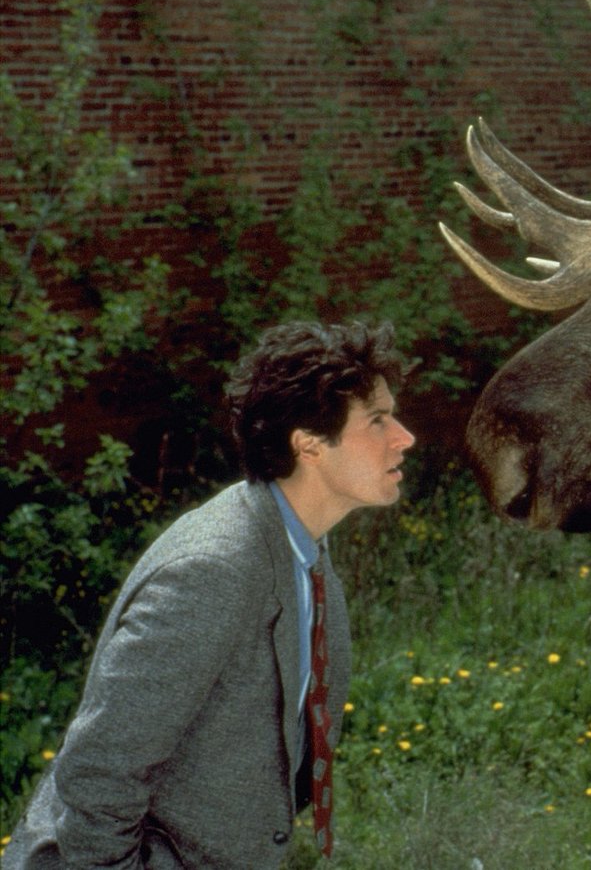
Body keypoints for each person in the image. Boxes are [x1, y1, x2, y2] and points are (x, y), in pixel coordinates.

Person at [5, 320, 415, 869]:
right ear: (309, 445)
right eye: (378, 421)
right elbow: (101, 771)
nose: (404, 437)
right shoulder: (212, 571)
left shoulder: (302, 544)